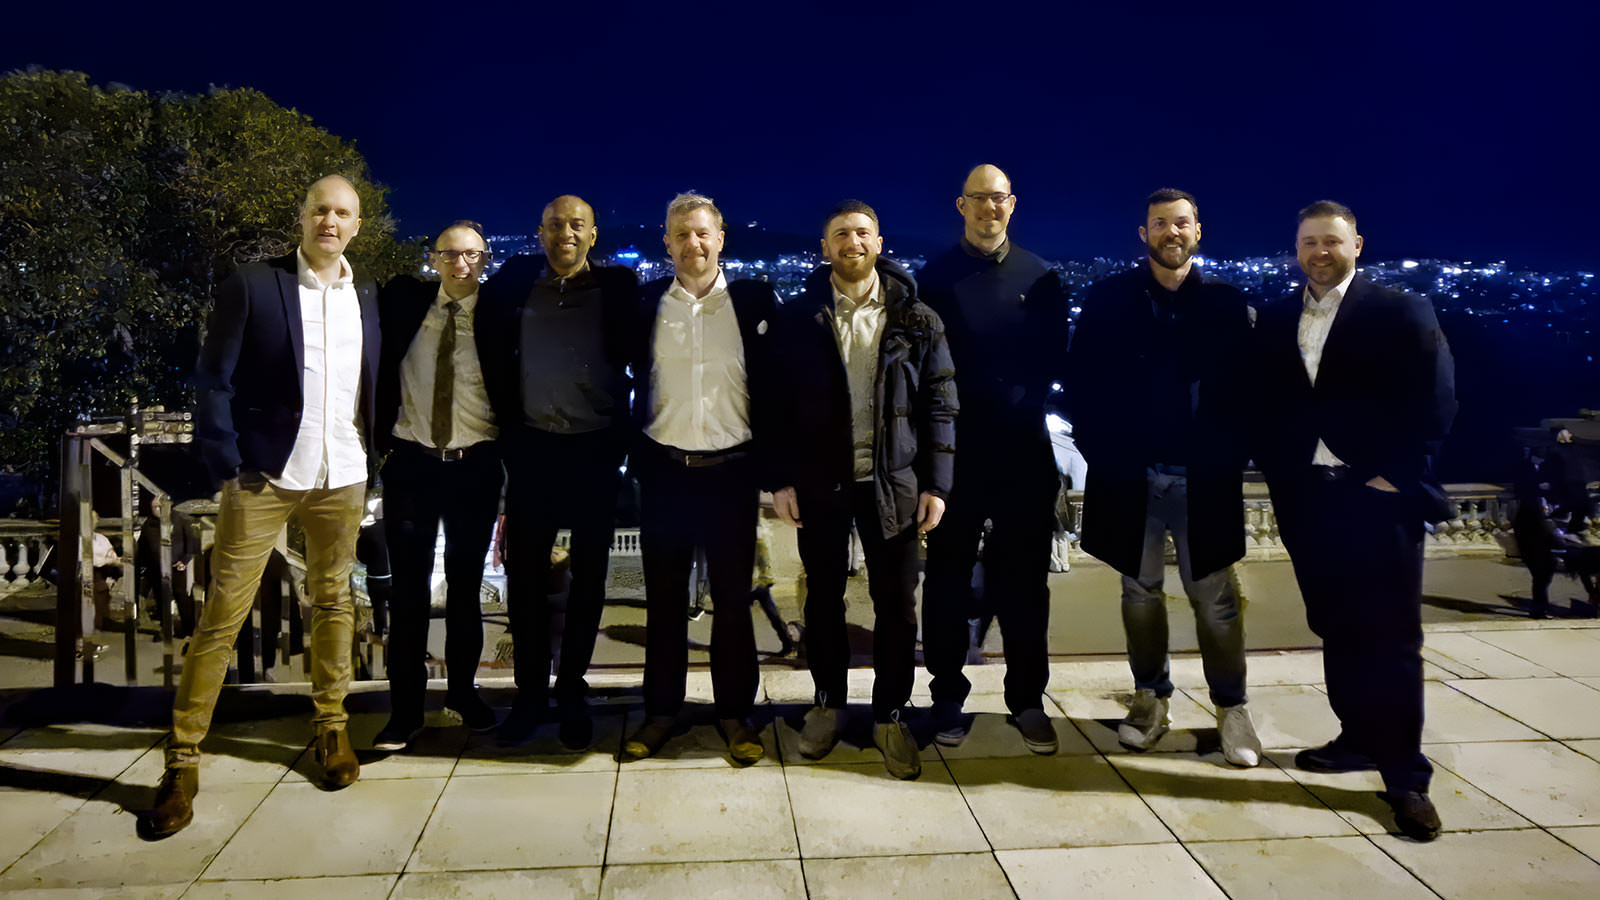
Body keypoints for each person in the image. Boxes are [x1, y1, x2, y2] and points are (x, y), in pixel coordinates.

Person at [142, 175, 380, 839]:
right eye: (320, 210)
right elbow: (213, 376)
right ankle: (182, 760)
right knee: (223, 614)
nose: (330, 221)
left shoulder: (366, 294)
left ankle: (331, 728)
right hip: (265, 475)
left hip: (343, 471)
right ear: (302, 217)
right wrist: (229, 460)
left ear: (356, 226)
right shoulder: (255, 284)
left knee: (334, 602)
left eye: (342, 213)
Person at [1255, 200, 1457, 841]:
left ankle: (1405, 776)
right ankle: (1357, 738)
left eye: (1331, 241)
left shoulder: (1401, 309)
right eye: (1309, 241)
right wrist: (1278, 468)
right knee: (1335, 625)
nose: (1320, 252)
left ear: (1357, 245)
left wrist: (1394, 475)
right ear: (1296, 249)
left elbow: (1435, 398)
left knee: (1391, 638)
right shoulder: (1278, 315)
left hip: (1377, 496)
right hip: (1307, 496)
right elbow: (1263, 400)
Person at [1067, 188, 1261, 766]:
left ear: (1197, 231)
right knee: (1139, 593)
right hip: (1131, 474)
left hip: (1206, 476)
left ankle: (1232, 707)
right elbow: (1081, 381)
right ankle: (1151, 698)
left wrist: (1232, 453)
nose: (1170, 233)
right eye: (1159, 224)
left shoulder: (1227, 304)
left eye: (1180, 223)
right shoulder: (1109, 299)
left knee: (1216, 600)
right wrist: (1102, 452)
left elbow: (1253, 390)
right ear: (1143, 233)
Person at [771, 200, 957, 780]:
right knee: (822, 601)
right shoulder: (800, 317)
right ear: (825, 247)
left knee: (896, 606)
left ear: (879, 242)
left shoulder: (916, 318)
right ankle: (828, 704)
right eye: (840, 234)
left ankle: (890, 714)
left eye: (861, 233)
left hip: (894, 481)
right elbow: (776, 404)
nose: (851, 242)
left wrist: (937, 483)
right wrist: (781, 478)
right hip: (821, 479)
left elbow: (940, 402)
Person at [623, 193, 780, 765]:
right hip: (665, 473)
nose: (693, 243)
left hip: (731, 475)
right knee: (664, 602)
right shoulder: (646, 305)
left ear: (720, 239)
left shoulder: (753, 301)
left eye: (702, 233)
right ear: (667, 243)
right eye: (682, 234)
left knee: (733, 602)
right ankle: (661, 712)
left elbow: (779, 385)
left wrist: (777, 472)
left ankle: (735, 714)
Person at [917, 164, 1068, 753]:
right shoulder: (934, 278)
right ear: (962, 206)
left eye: (998, 198)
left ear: (1012, 204)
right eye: (978, 199)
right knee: (945, 581)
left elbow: (1055, 360)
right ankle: (946, 698)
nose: (989, 208)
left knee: (1027, 585)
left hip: (1023, 450)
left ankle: (1027, 700)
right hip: (954, 453)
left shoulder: (1042, 276)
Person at [478, 195, 636, 749]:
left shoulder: (617, 288)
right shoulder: (516, 285)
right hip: (533, 450)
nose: (565, 233)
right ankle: (529, 695)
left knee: (590, 580)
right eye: (554, 225)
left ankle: (571, 691)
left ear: (593, 234)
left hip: (595, 450)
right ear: (539, 232)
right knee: (524, 581)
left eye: (576, 225)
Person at [371, 220, 504, 750]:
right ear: (433, 259)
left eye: (471, 255)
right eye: (449, 254)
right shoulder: (407, 307)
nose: (460, 264)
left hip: (475, 466)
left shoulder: (500, 315)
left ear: (485, 259)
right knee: (407, 594)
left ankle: (463, 694)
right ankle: (404, 710)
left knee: (466, 591)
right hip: (413, 464)